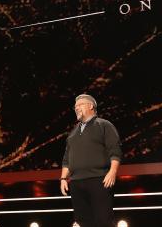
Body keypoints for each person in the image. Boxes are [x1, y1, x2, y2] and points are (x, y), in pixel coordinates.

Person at [60, 94, 122, 227]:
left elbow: (115, 151)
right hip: (76, 182)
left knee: (103, 220)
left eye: (80, 105)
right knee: (82, 221)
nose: (76, 108)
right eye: (75, 106)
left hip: (99, 179)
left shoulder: (104, 125)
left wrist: (112, 172)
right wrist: (63, 179)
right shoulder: (73, 133)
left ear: (91, 106)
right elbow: (66, 159)